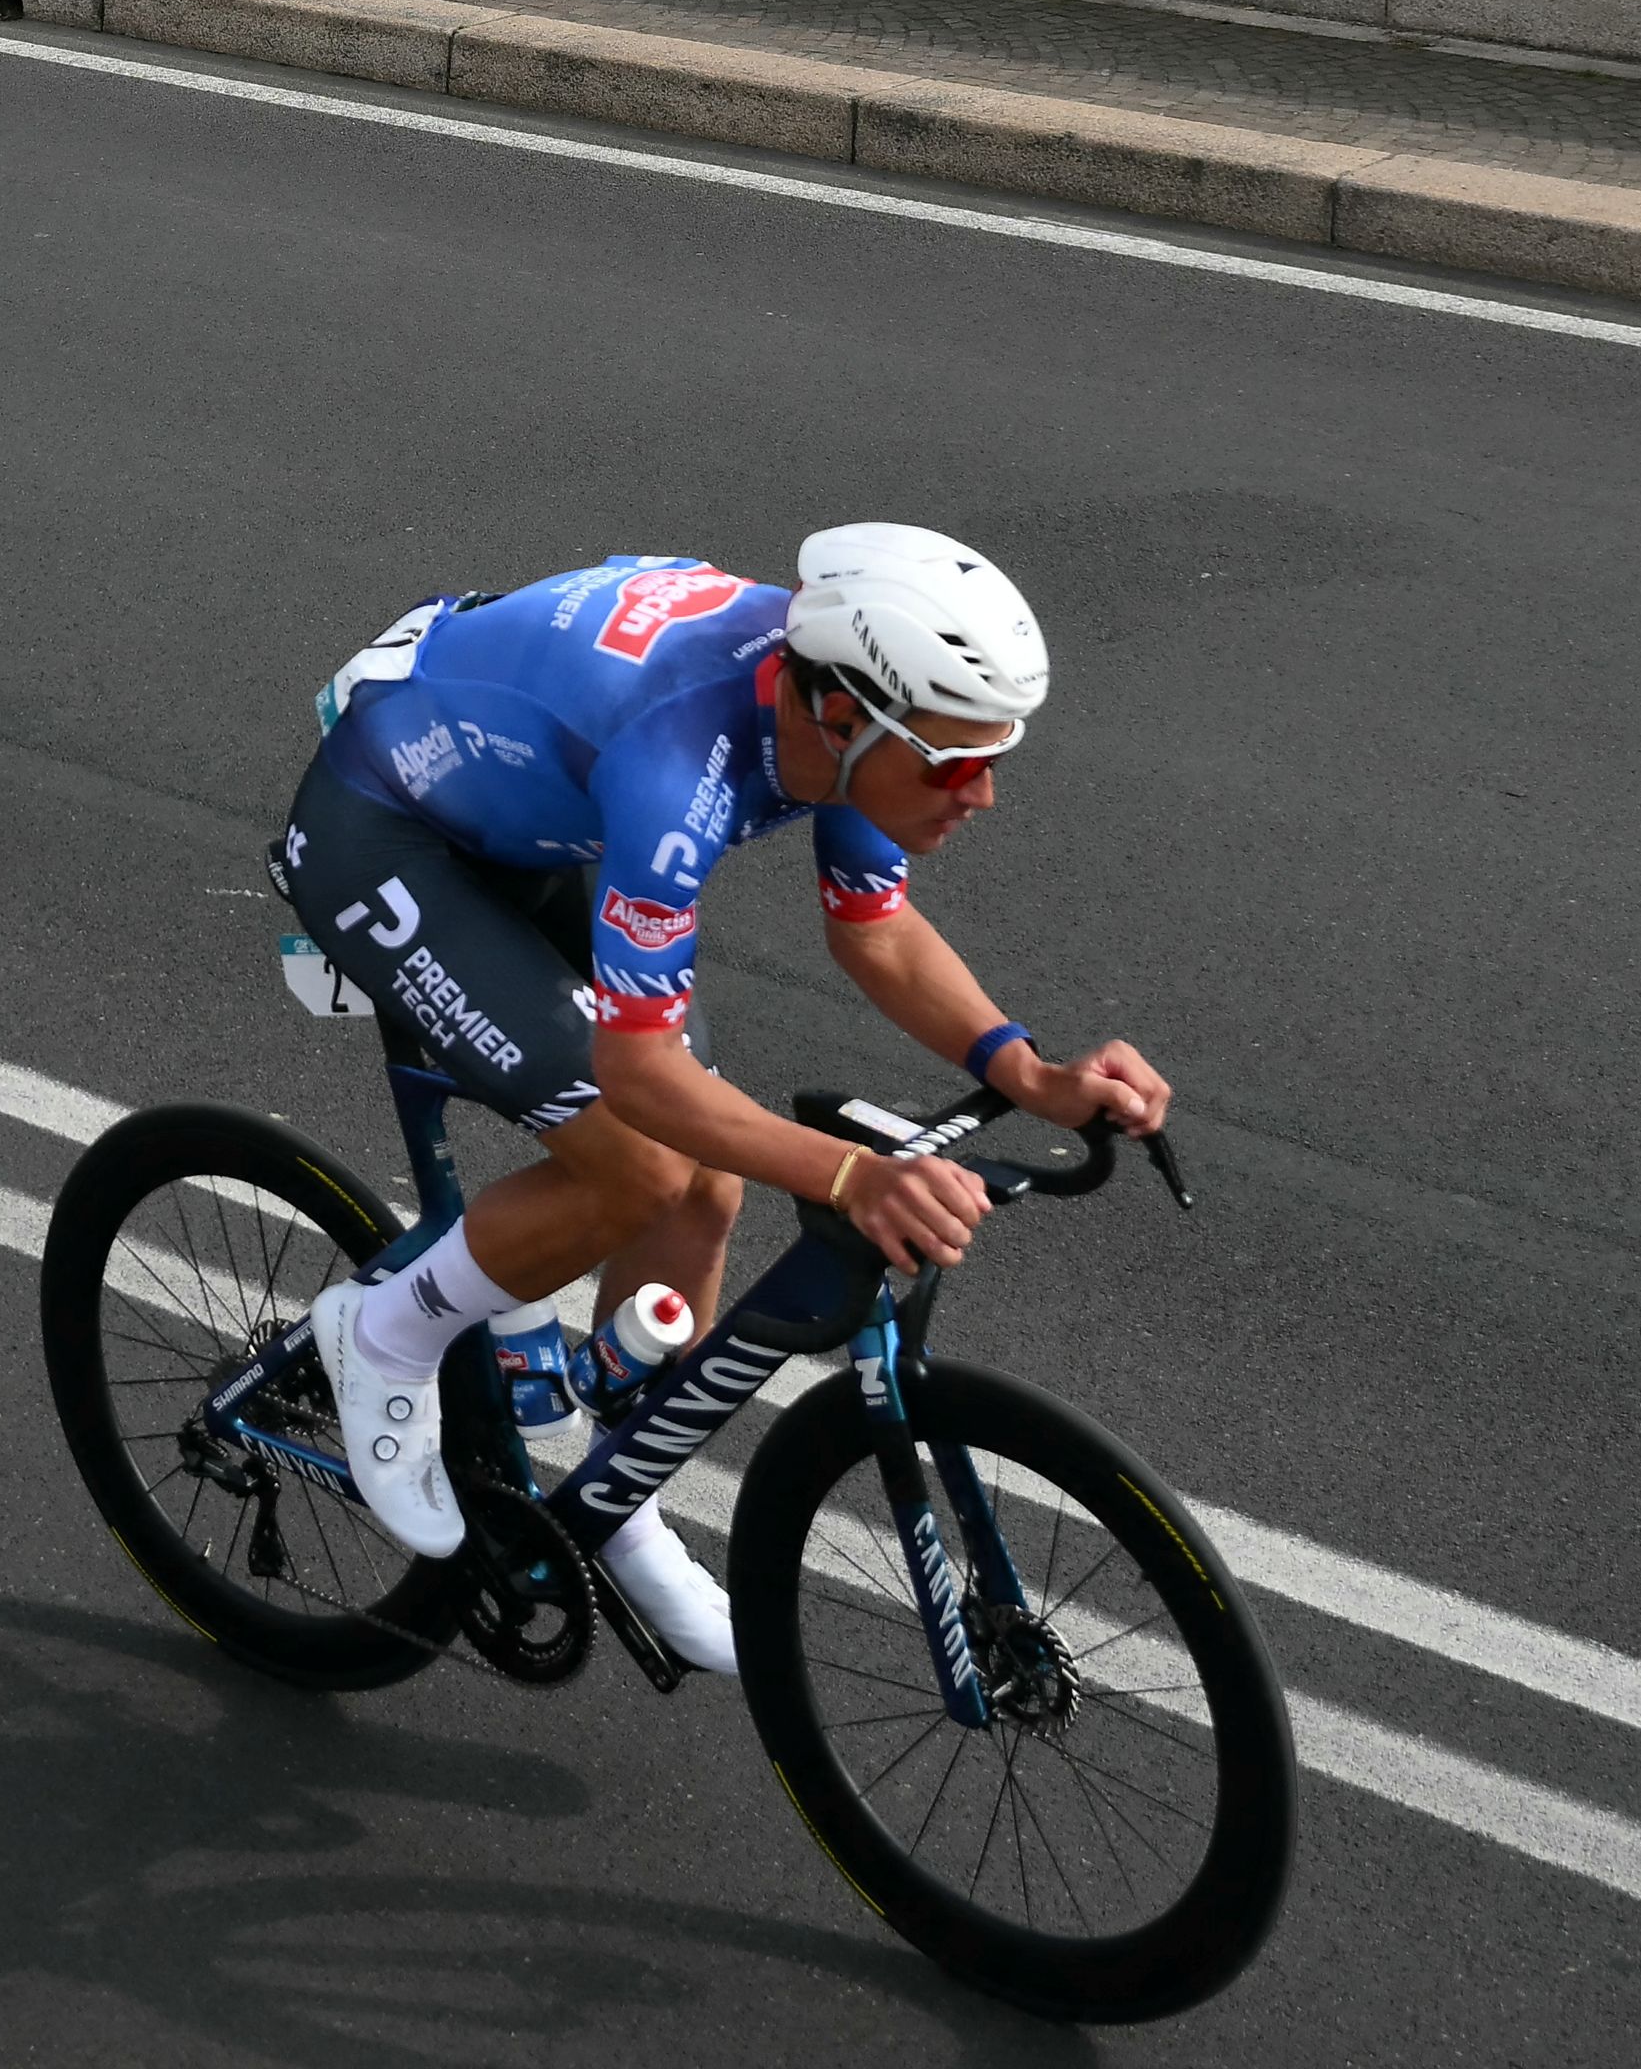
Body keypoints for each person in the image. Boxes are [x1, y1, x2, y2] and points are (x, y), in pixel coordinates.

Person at [266, 531, 1170, 1675]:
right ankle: (383, 1332)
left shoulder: (835, 720)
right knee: (638, 1160)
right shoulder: (677, 762)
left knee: (710, 1185)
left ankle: (607, 1491)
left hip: (524, 810)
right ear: (844, 716)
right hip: (385, 824)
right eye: (953, 764)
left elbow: (876, 928)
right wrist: (851, 1173)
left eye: (994, 758)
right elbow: (642, 1077)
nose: (982, 793)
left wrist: (1033, 1076)